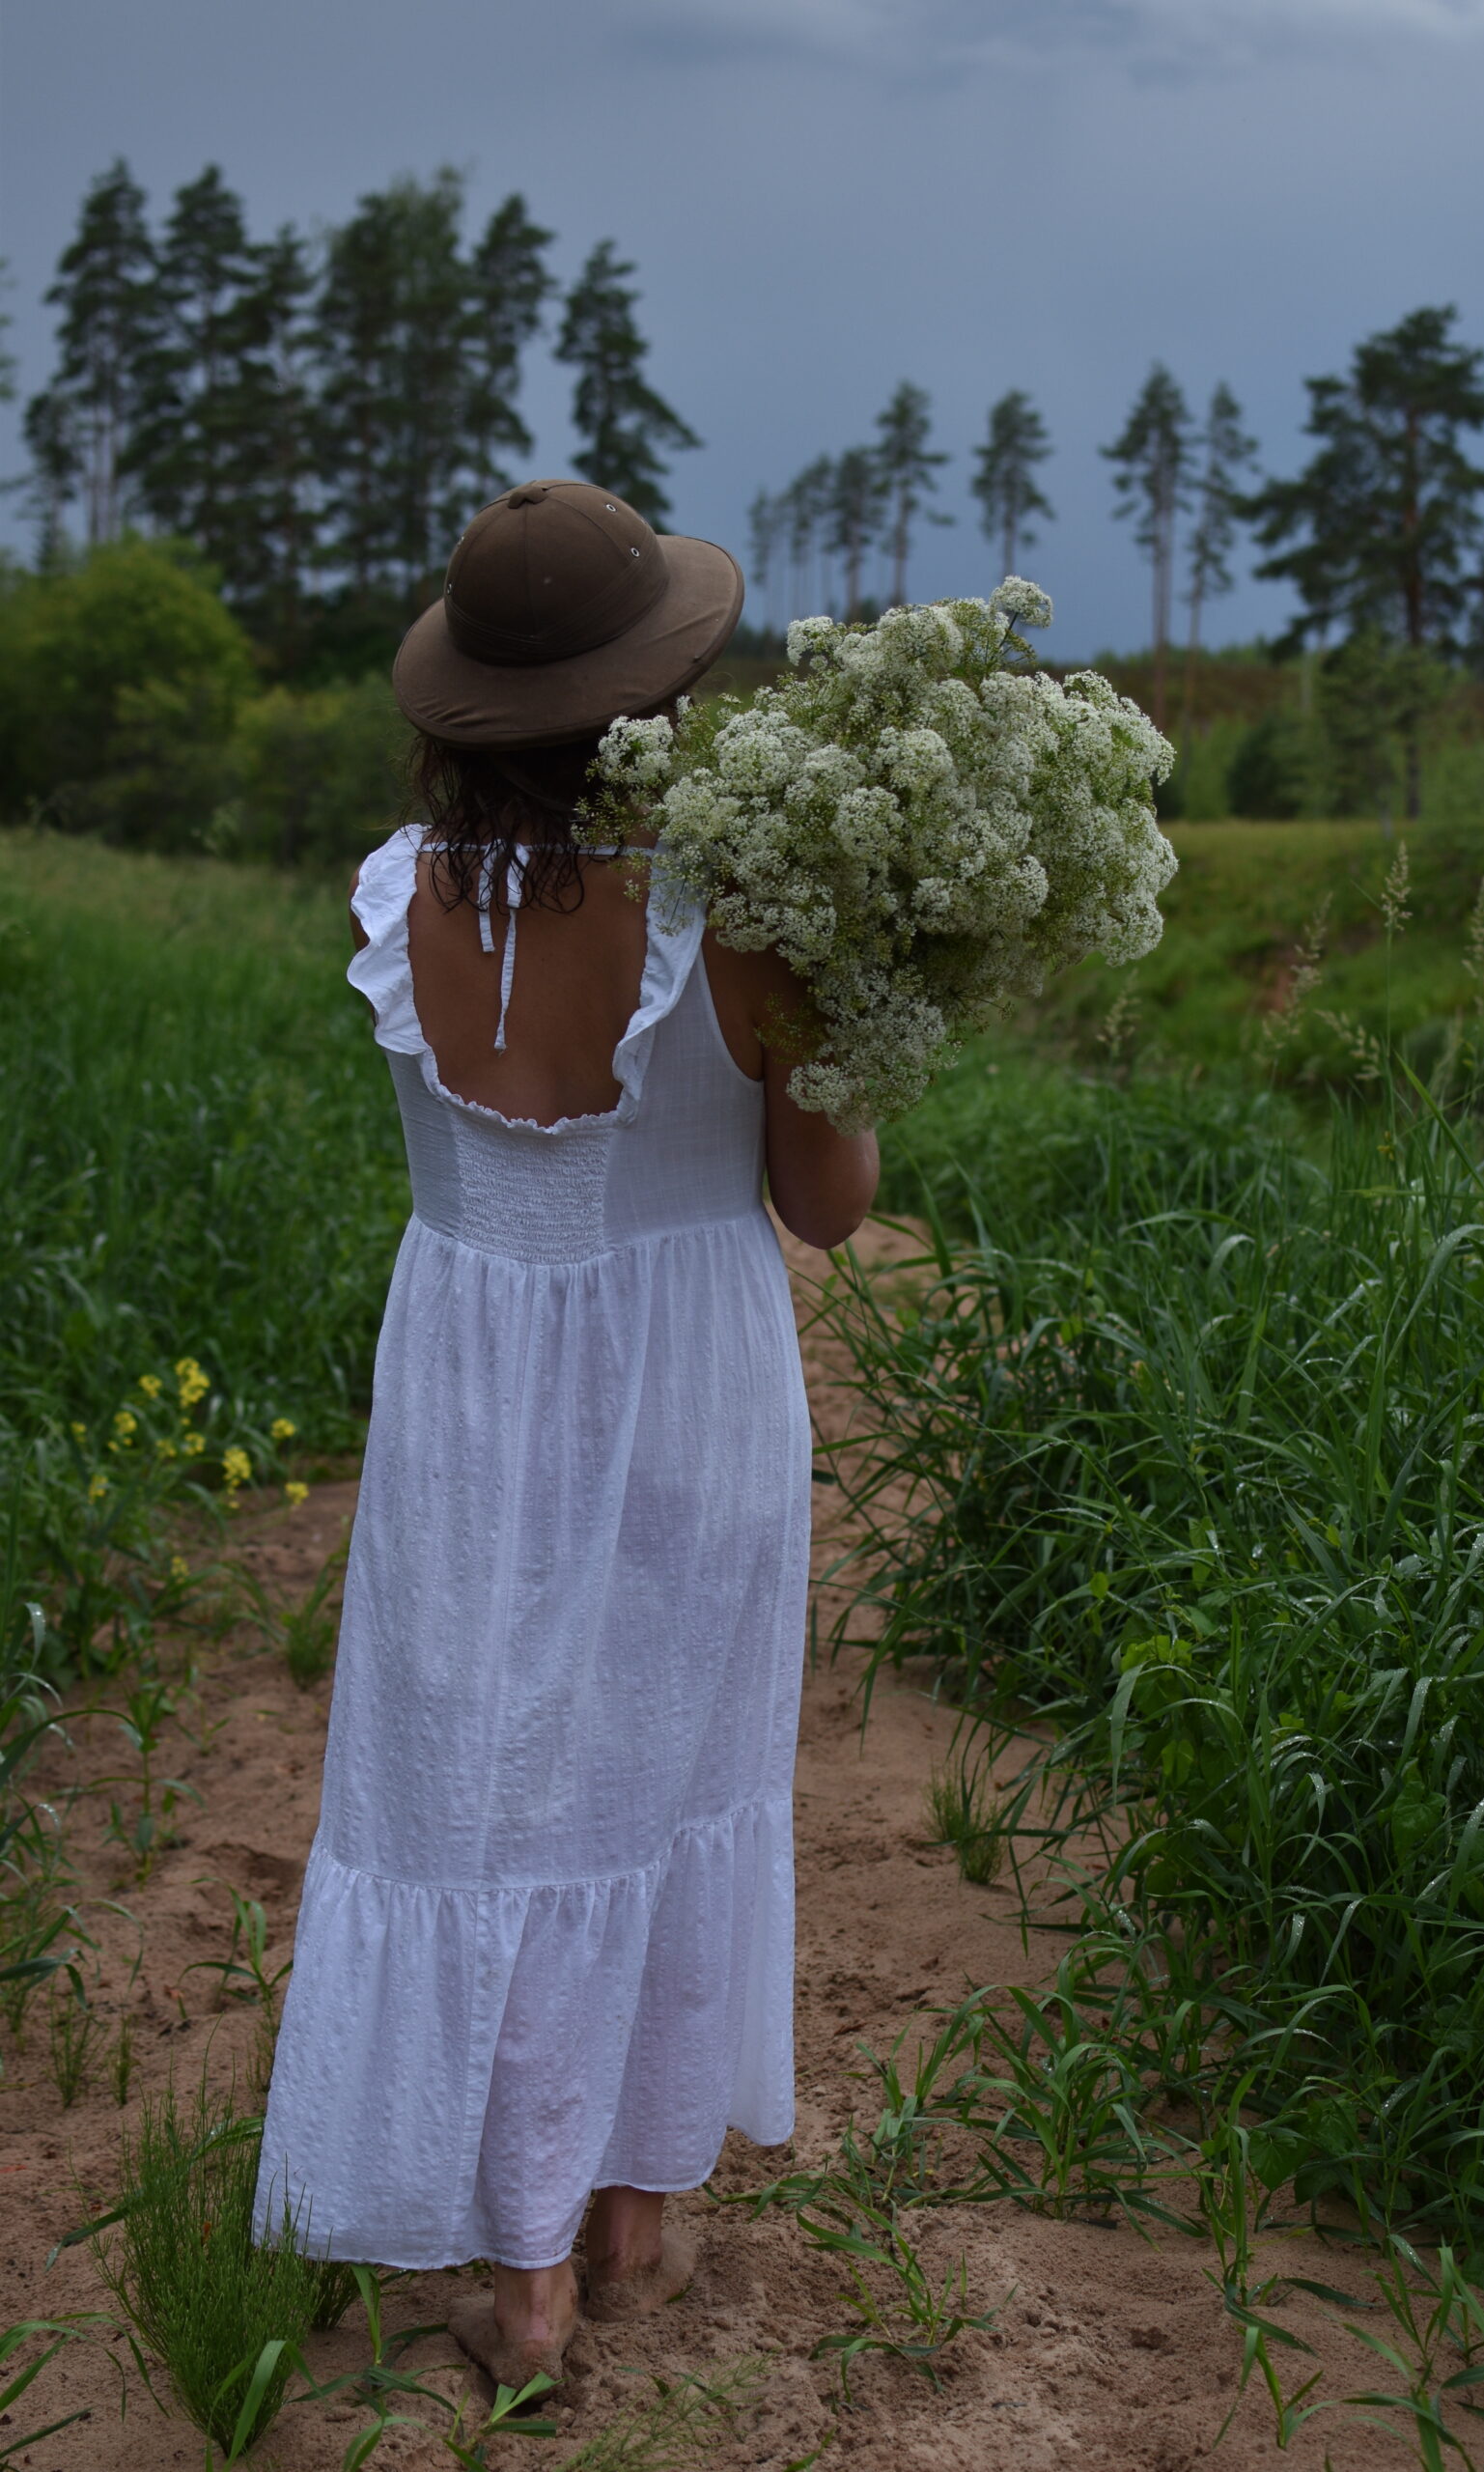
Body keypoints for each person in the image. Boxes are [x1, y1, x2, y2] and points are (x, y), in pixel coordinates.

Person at [256, 479, 879, 2391]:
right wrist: (867, 999)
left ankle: (517, 2285)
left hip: (465, 1383)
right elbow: (833, 1205)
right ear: (650, 698)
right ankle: (623, 2229)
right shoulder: (737, 913)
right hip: (686, 1372)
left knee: (483, 1791)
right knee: (660, 1768)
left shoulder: (390, 896)